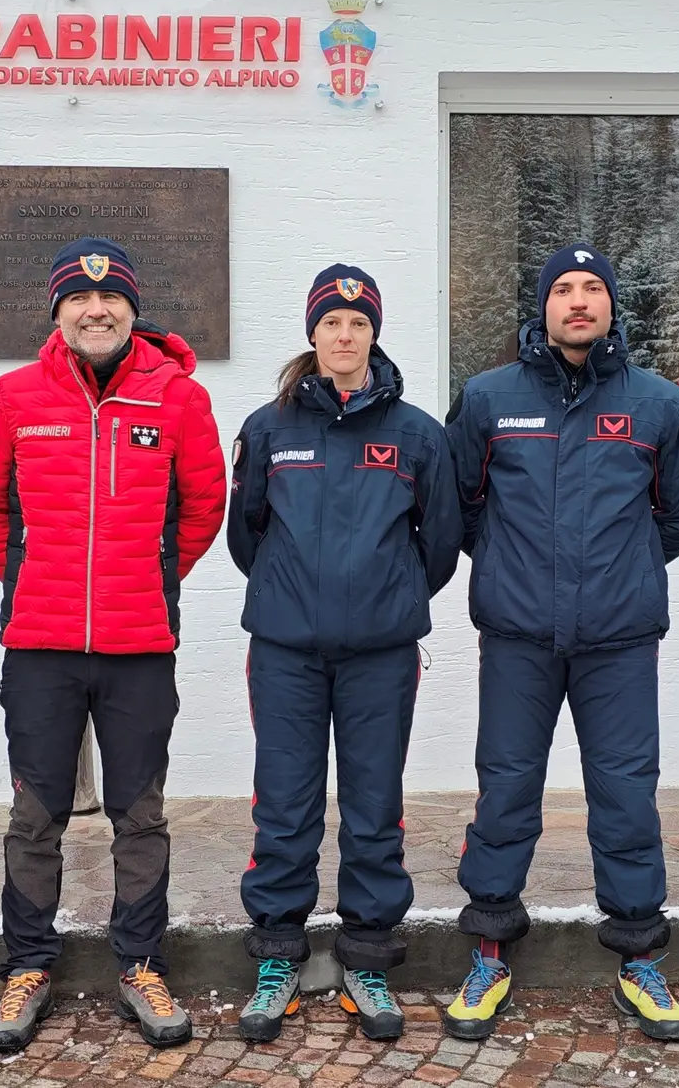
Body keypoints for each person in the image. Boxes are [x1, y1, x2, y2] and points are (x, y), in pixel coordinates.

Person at [0, 236, 226, 1052]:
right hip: (39, 647)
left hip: (139, 646)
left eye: (110, 299)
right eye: (78, 297)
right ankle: (27, 966)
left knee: (139, 816)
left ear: (132, 310)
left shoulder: (179, 400)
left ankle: (141, 963)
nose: (95, 310)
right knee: (34, 816)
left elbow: (203, 508)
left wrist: (148, 578)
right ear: (58, 311)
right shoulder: (10, 398)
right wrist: (31, 577)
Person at [443, 244, 679, 1042]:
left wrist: (619, 570)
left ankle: (638, 960)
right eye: (564, 288)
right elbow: (464, 505)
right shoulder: (488, 398)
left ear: (612, 305)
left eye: (594, 287)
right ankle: (490, 952)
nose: (580, 300)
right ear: (544, 305)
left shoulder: (659, 404)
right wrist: (515, 567)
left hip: (619, 640)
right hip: (518, 636)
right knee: (506, 789)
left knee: (625, 794)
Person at [226, 264, 461, 1043]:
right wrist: (294, 593)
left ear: (374, 334)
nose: (345, 334)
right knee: (284, 805)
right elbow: (246, 534)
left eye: (358, 323)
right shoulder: (269, 428)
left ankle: (367, 957)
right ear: (313, 332)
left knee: (373, 806)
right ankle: (278, 958)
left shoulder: (417, 434)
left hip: (381, 654)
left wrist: (387, 595)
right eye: (332, 322)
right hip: (286, 651)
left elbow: (440, 544)